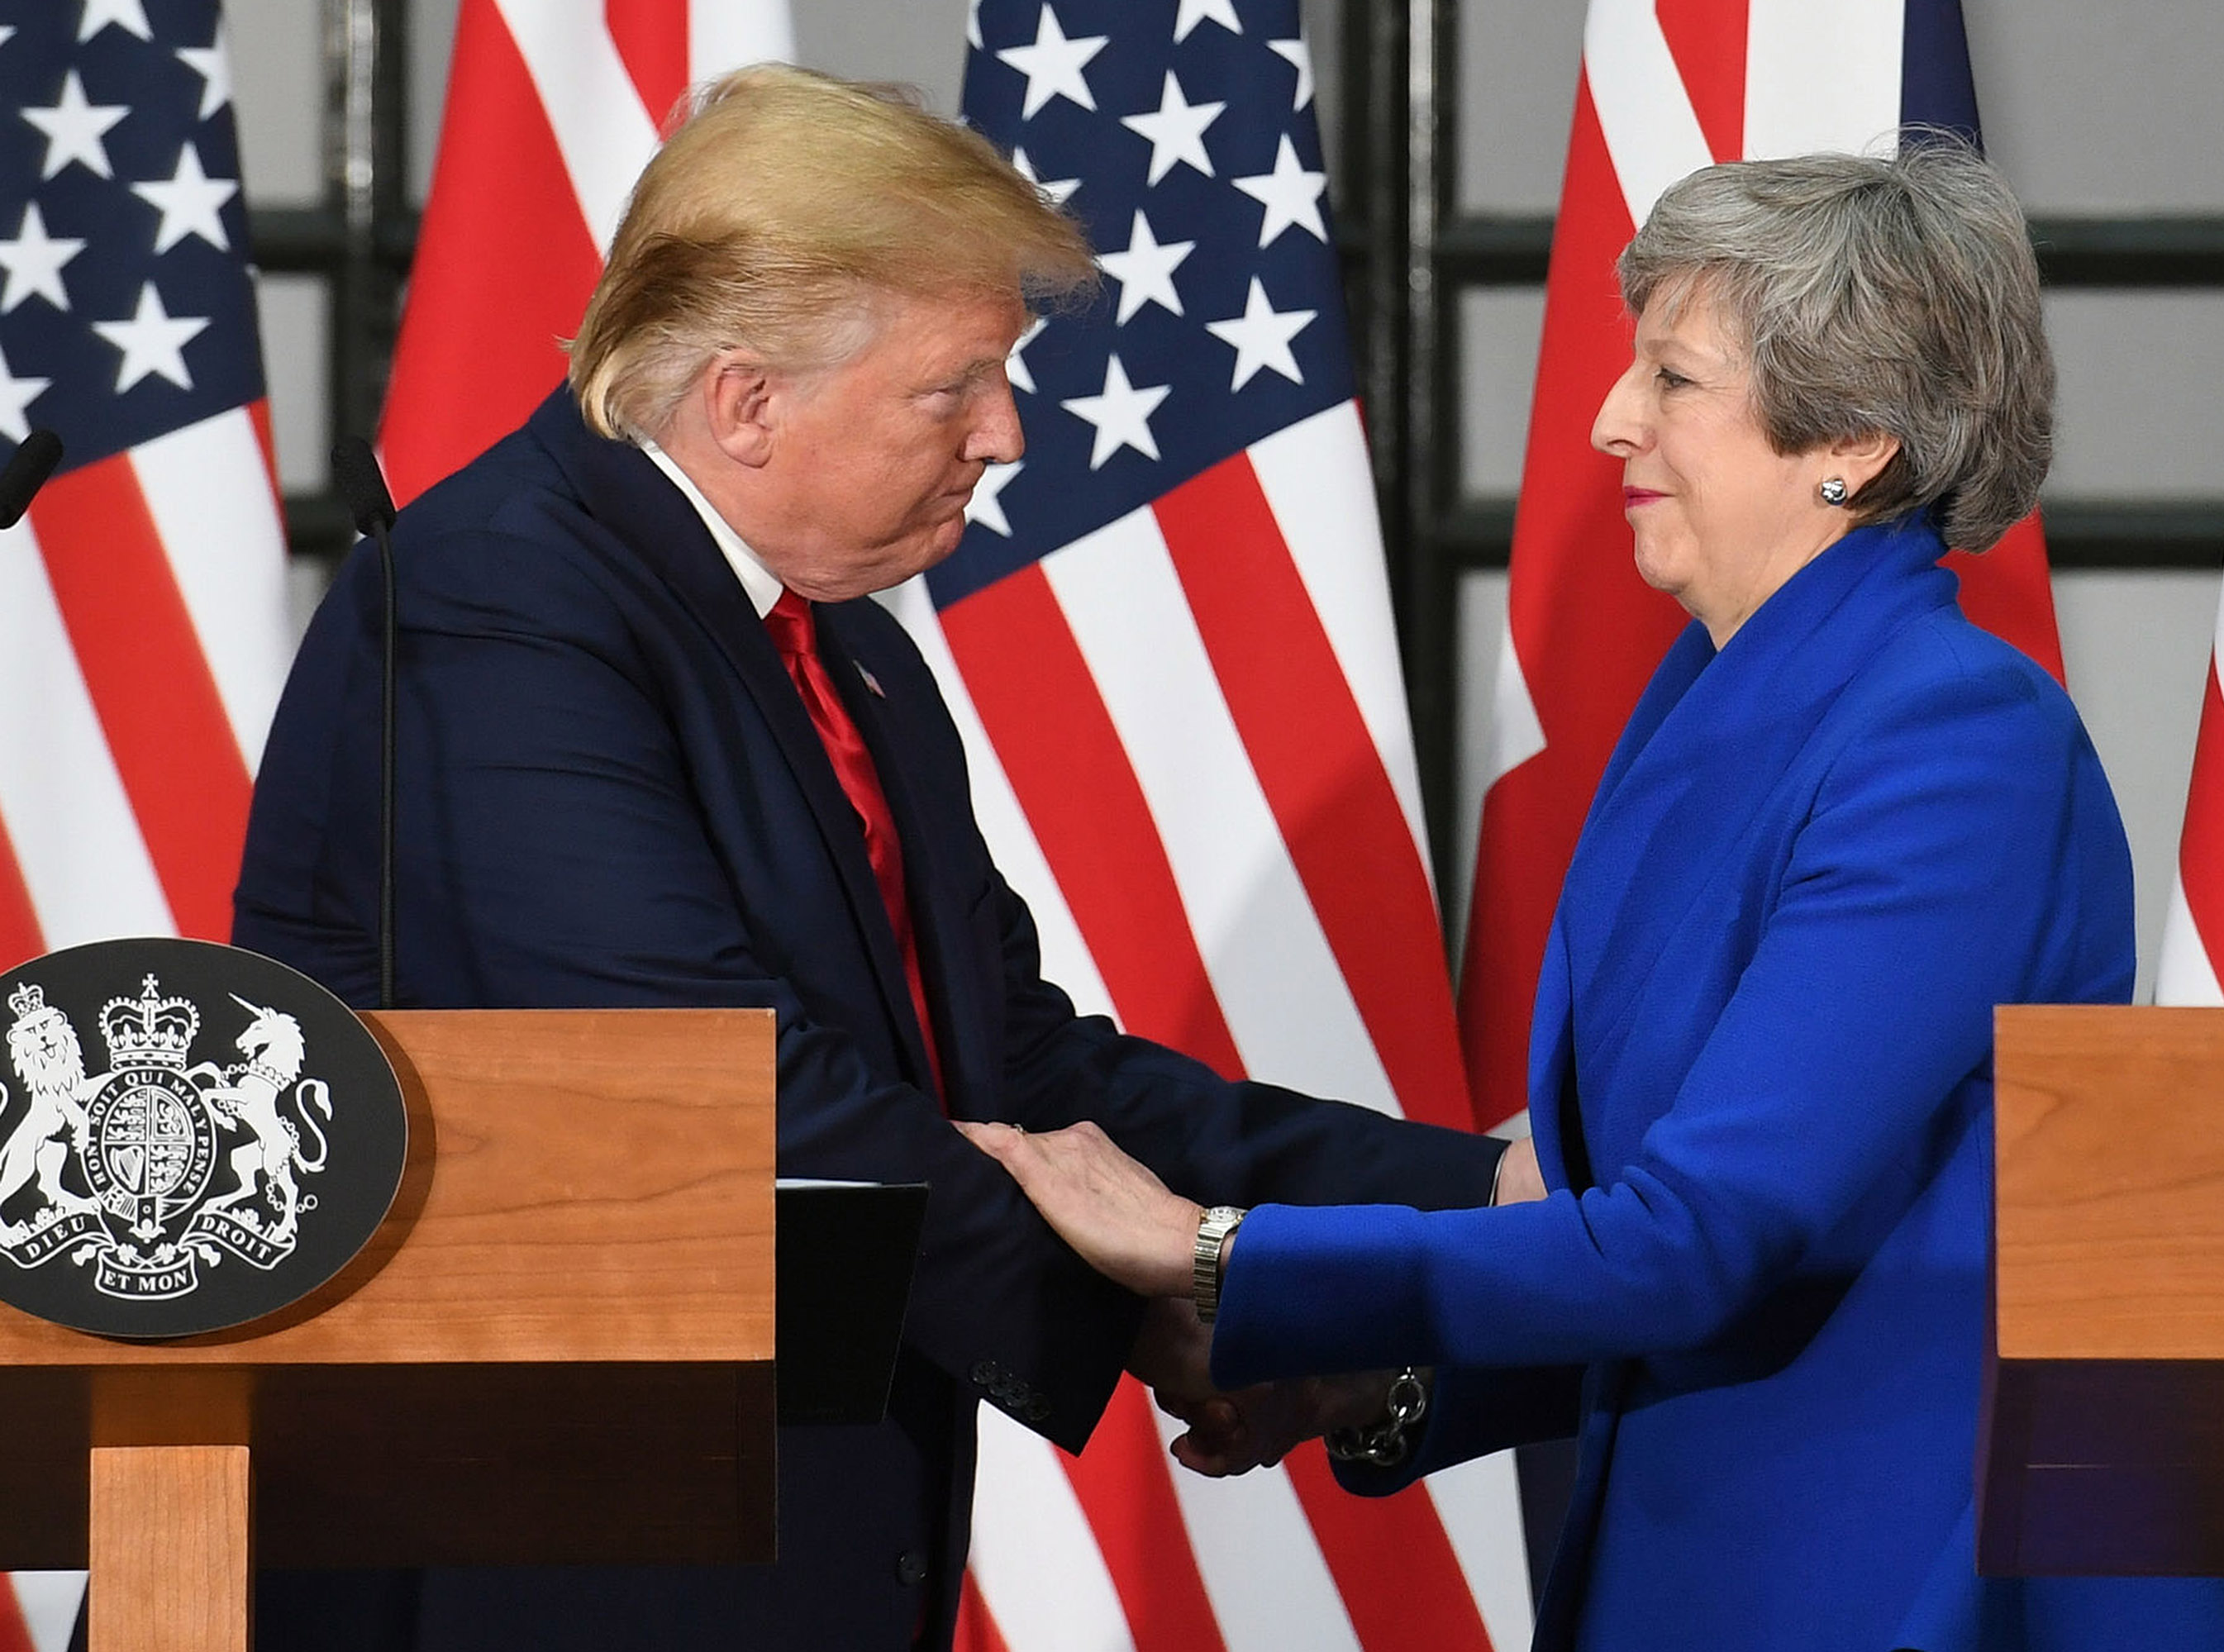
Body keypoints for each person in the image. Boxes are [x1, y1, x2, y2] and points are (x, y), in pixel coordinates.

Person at [231, 65, 1506, 1652]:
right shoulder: (505, 603)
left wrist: (1474, 1208)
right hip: (527, 1569)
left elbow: (1018, 1062)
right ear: (747, 399)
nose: (1009, 431)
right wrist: (1194, 1303)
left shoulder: (841, 651)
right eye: (954, 386)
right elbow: (715, 1085)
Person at [964, 143, 2224, 1651]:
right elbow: (1689, 1232)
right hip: (1709, 1555)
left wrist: (1216, 1252)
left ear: (1852, 436)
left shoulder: (1949, 740)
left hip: (1895, 1580)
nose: (1608, 419)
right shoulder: (1721, 702)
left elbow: (1701, 1238)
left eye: (1673, 379)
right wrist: (1383, 1380)